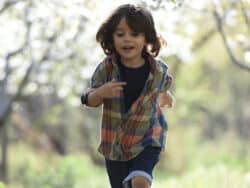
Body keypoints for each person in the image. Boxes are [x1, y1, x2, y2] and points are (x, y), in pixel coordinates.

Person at [81, 4, 173, 188]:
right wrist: (101, 92)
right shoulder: (107, 68)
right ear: (111, 38)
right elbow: (87, 98)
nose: (127, 39)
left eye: (135, 34)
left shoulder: (158, 70)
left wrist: (167, 97)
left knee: (140, 180)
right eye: (120, 34)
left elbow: (164, 91)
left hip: (148, 138)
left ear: (146, 36)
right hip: (115, 144)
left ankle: (141, 180)